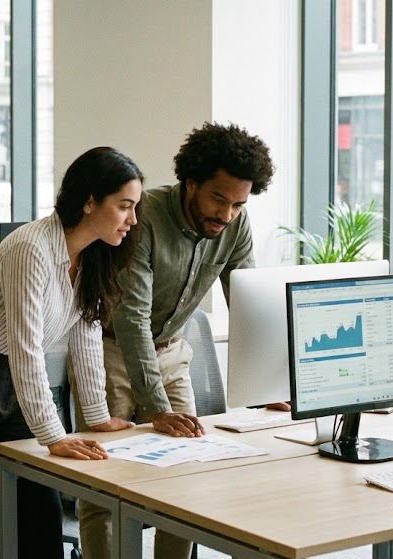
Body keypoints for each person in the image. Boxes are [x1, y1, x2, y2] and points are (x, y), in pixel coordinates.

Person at [0, 146, 142, 558]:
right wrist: (53, 434)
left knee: (39, 507)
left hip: (16, 381)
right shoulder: (32, 247)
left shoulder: (92, 253)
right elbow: (26, 346)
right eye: (125, 206)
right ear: (90, 201)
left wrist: (96, 416)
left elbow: (86, 334)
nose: (133, 219)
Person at [76, 121, 275, 559]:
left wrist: (272, 389)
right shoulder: (146, 216)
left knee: (188, 480)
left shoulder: (235, 226)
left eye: (238, 204)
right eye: (218, 199)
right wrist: (159, 410)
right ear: (191, 183)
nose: (226, 215)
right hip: (110, 353)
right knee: (101, 485)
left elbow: (252, 305)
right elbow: (133, 317)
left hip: (171, 354)